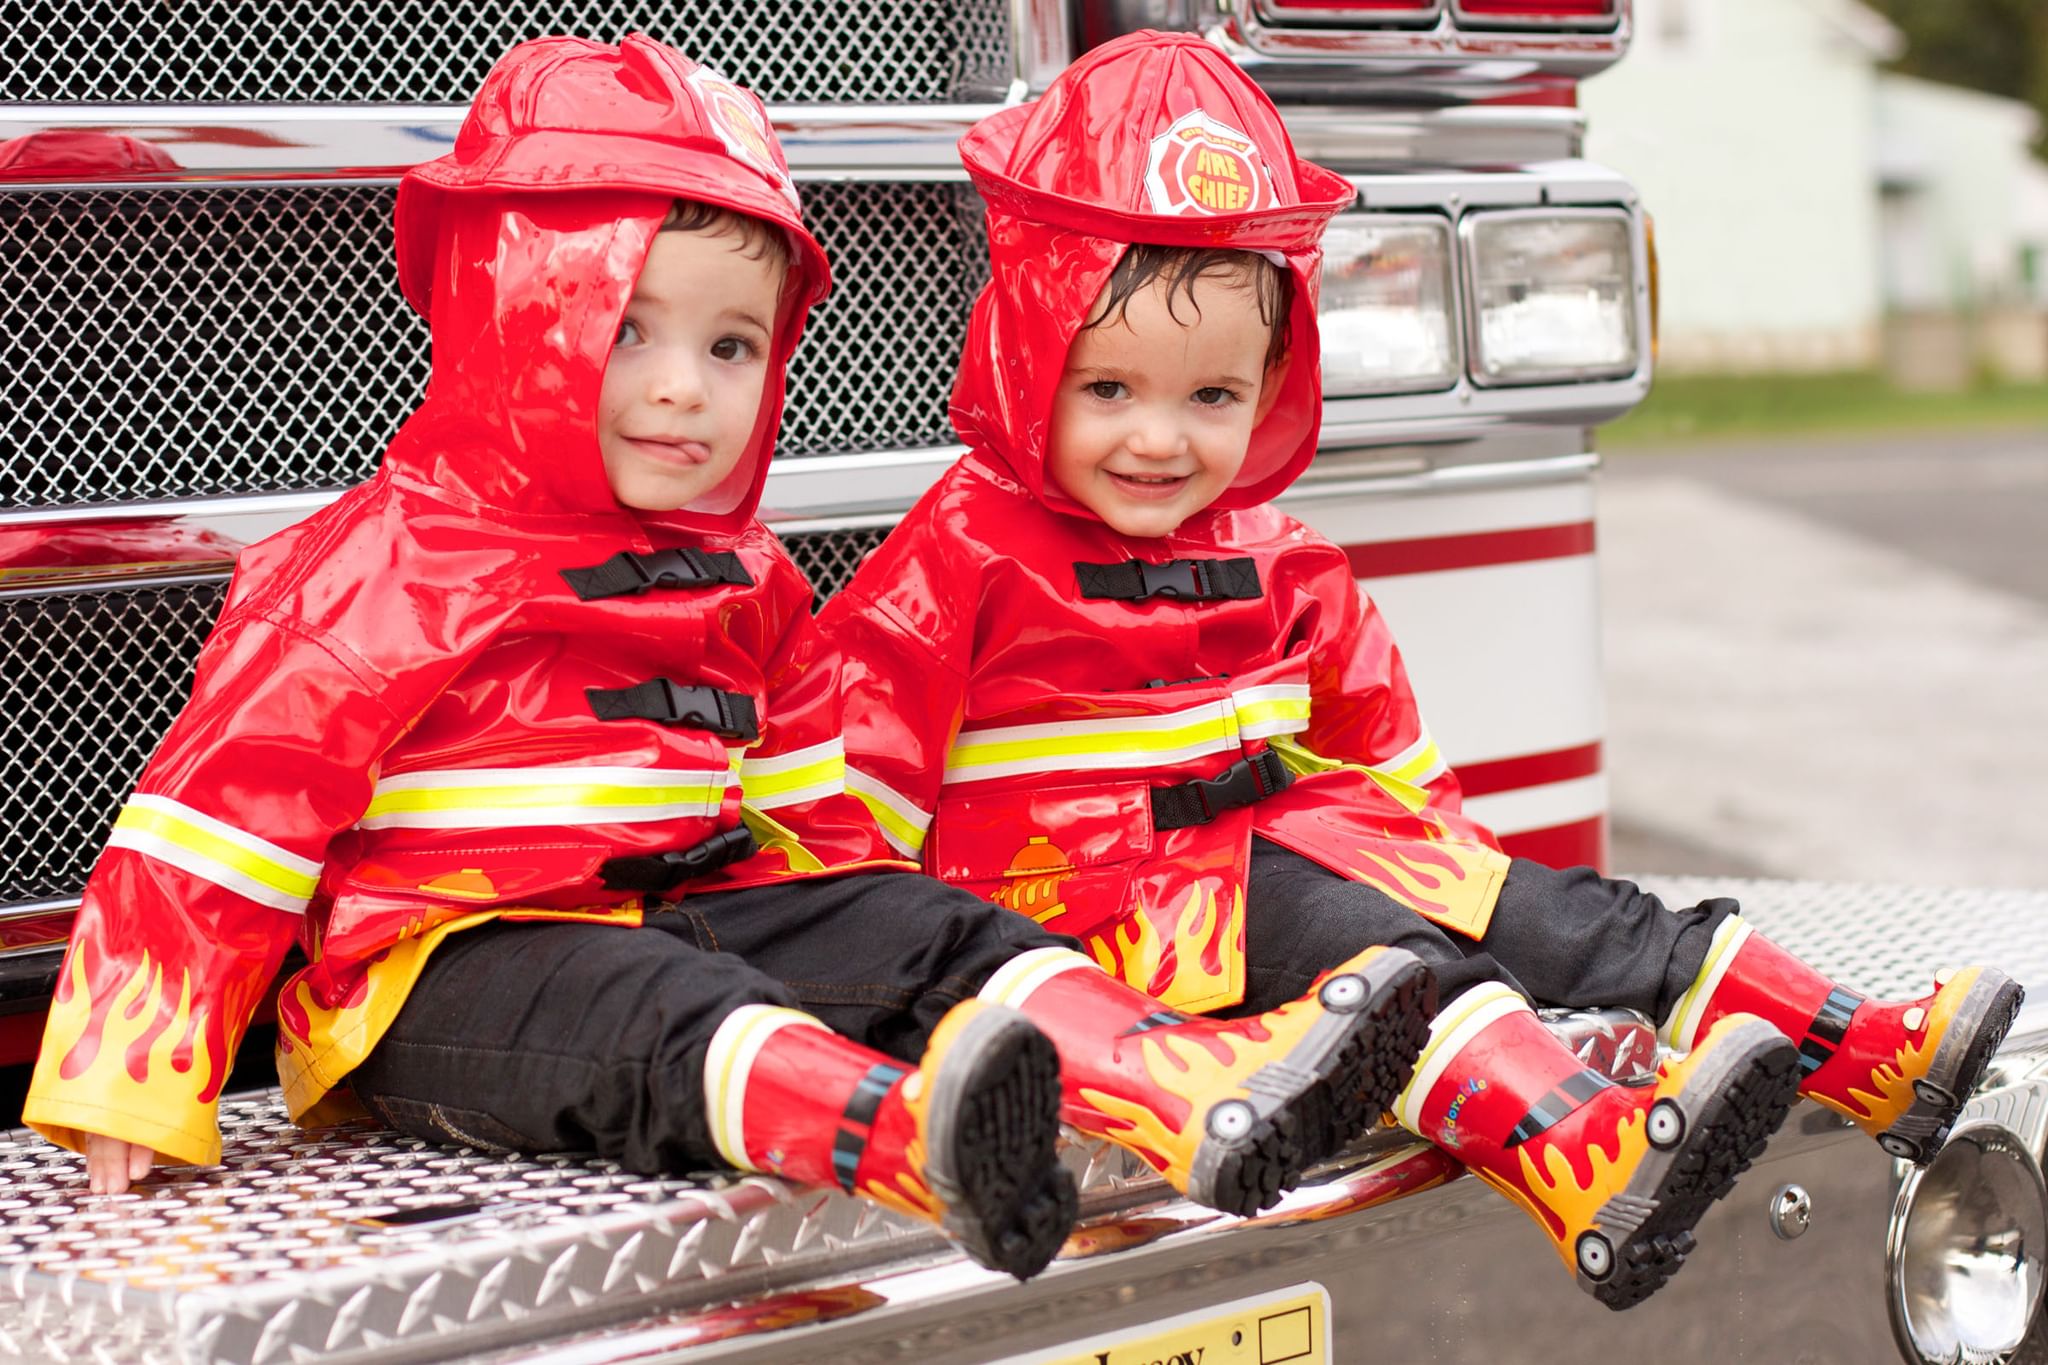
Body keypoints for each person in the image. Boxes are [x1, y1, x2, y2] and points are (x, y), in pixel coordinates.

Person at [22, 35, 1439, 1283]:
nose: (683, 387)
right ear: (509, 311)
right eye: (622, 329)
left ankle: (1195, 1092)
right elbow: (219, 822)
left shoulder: (749, 574)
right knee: (674, 1015)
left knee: (931, 932)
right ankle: (919, 1141)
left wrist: (874, 936)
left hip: (688, 906)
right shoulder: (377, 567)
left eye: (733, 343)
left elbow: (817, 815)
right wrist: (126, 1070)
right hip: (432, 978)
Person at [818, 30, 2023, 1308]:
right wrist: (937, 991)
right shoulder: (954, 555)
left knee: (1576, 917)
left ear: (1276, 385)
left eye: (1213, 398)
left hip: (1293, 850)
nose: (1160, 441)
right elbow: (851, 807)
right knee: (1386, 962)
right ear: (1021, 349)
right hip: (1112, 911)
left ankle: (1861, 1053)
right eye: (1107, 386)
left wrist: (1473, 880)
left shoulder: (1278, 556)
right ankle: (1573, 1155)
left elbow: (1378, 742)